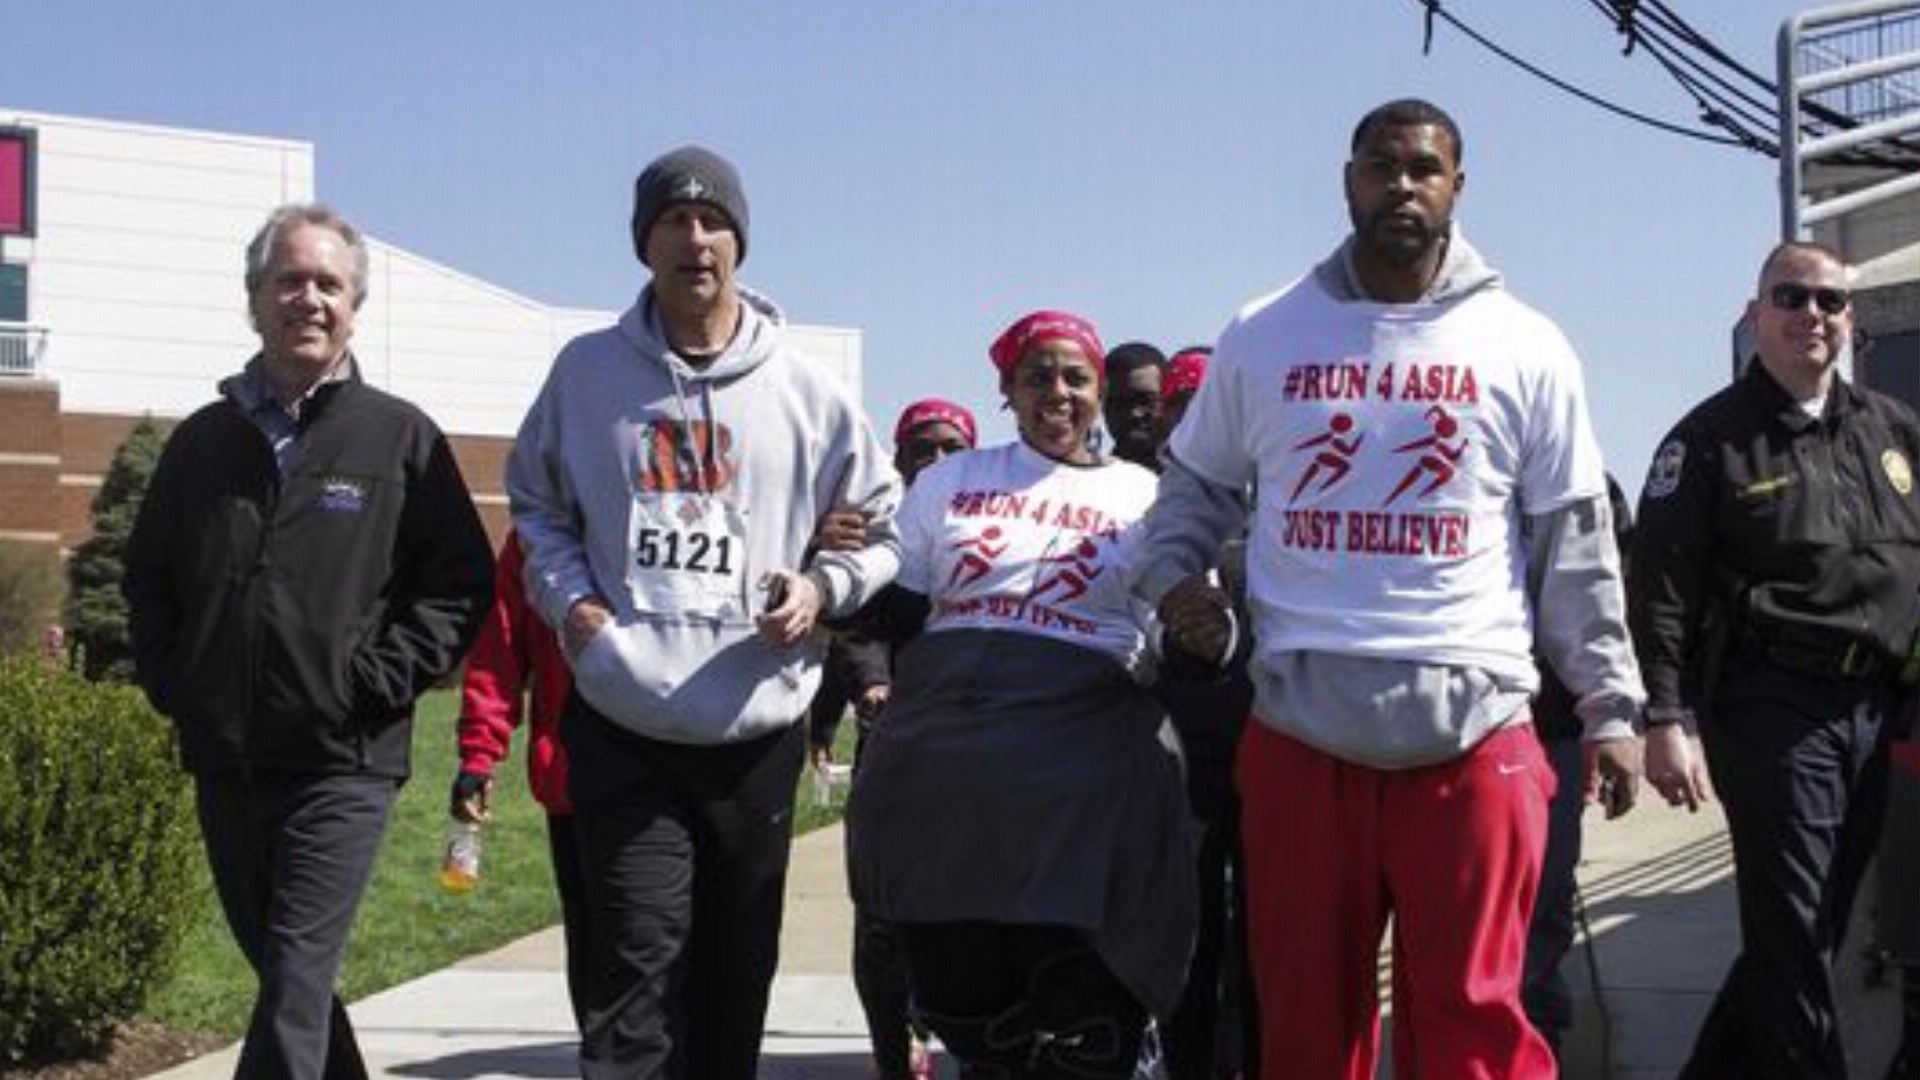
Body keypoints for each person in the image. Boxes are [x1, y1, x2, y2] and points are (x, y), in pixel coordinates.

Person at [1128, 98, 1645, 1080]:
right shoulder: (1265, 332)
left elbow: (1574, 541)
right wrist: (1170, 583)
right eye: (1381, 166)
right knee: (1307, 1031)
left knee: (1477, 1033)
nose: (1401, 185)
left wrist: (1611, 710)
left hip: (1476, 735)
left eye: (1423, 167)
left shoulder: (1526, 343)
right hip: (1299, 738)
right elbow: (1192, 486)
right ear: (1348, 180)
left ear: (1456, 185)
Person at [505, 144, 901, 1080]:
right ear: (643, 244)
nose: (694, 239)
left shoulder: (807, 391)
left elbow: (885, 532)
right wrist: (570, 605)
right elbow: (536, 509)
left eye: (712, 219)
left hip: (752, 731)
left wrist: (820, 588)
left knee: (732, 984)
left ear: (740, 241)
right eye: (671, 222)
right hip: (625, 719)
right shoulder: (587, 373)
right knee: (634, 977)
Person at [123, 203, 494, 1080]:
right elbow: (149, 576)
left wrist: (376, 678)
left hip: (343, 758)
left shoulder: (400, 437)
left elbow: (460, 584)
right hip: (227, 754)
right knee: (293, 980)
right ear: (255, 300)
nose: (309, 299)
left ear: (355, 306)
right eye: (289, 281)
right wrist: (179, 683)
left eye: (329, 283)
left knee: (292, 982)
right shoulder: (201, 443)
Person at [848, 310, 1195, 1080]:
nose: (1058, 393)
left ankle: (1099, 1025)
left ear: (1098, 391)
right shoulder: (950, 483)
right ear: (1006, 388)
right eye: (1038, 376)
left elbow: (1171, 631)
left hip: (1085, 719)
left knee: (1077, 996)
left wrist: (1202, 629)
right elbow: (896, 612)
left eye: (1076, 377)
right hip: (958, 728)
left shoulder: (1139, 494)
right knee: (966, 986)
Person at [1631, 239, 1919, 1080]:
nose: (1812, 316)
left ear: (1851, 321)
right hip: (1772, 709)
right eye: (1791, 298)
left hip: (1876, 706)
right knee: (1793, 927)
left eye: (1830, 301)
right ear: (1756, 315)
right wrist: (1666, 717)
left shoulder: (1893, 431)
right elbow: (1661, 590)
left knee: (1815, 927)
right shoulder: (1712, 439)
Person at [832, 397, 978, 1080]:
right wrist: (871, 684)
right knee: (881, 917)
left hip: (979, 754)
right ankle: (894, 1050)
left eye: (953, 447)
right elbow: (859, 624)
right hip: (894, 745)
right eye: (923, 447)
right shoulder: (876, 536)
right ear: (898, 459)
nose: (937, 460)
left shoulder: (993, 529)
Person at [1150, 344, 1261, 1080]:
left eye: (1209, 409)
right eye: (1184, 407)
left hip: (1275, 751)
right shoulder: (1144, 504)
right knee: (1186, 944)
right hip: (1182, 764)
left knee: (1263, 946)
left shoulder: (1282, 498)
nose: (1199, 423)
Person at [449, 529, 592, 1029]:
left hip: (679, 777)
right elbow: (501, 649)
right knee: (598, 956)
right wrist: (478, 757)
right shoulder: (537, 537)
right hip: (577, 784)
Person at [1521, 473, 1637, 1064]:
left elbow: (1617, 595)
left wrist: (1611, 720)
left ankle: (1541, 1040)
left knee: (1545, 896)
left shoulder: (1592, 485)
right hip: (1459, 726)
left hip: (1553, 730)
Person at [1103, 341, 1166, 469]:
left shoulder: (1200, 476)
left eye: (1145, 401)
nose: (1134, 413)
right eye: (1118, 404)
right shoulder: (1088, 483)